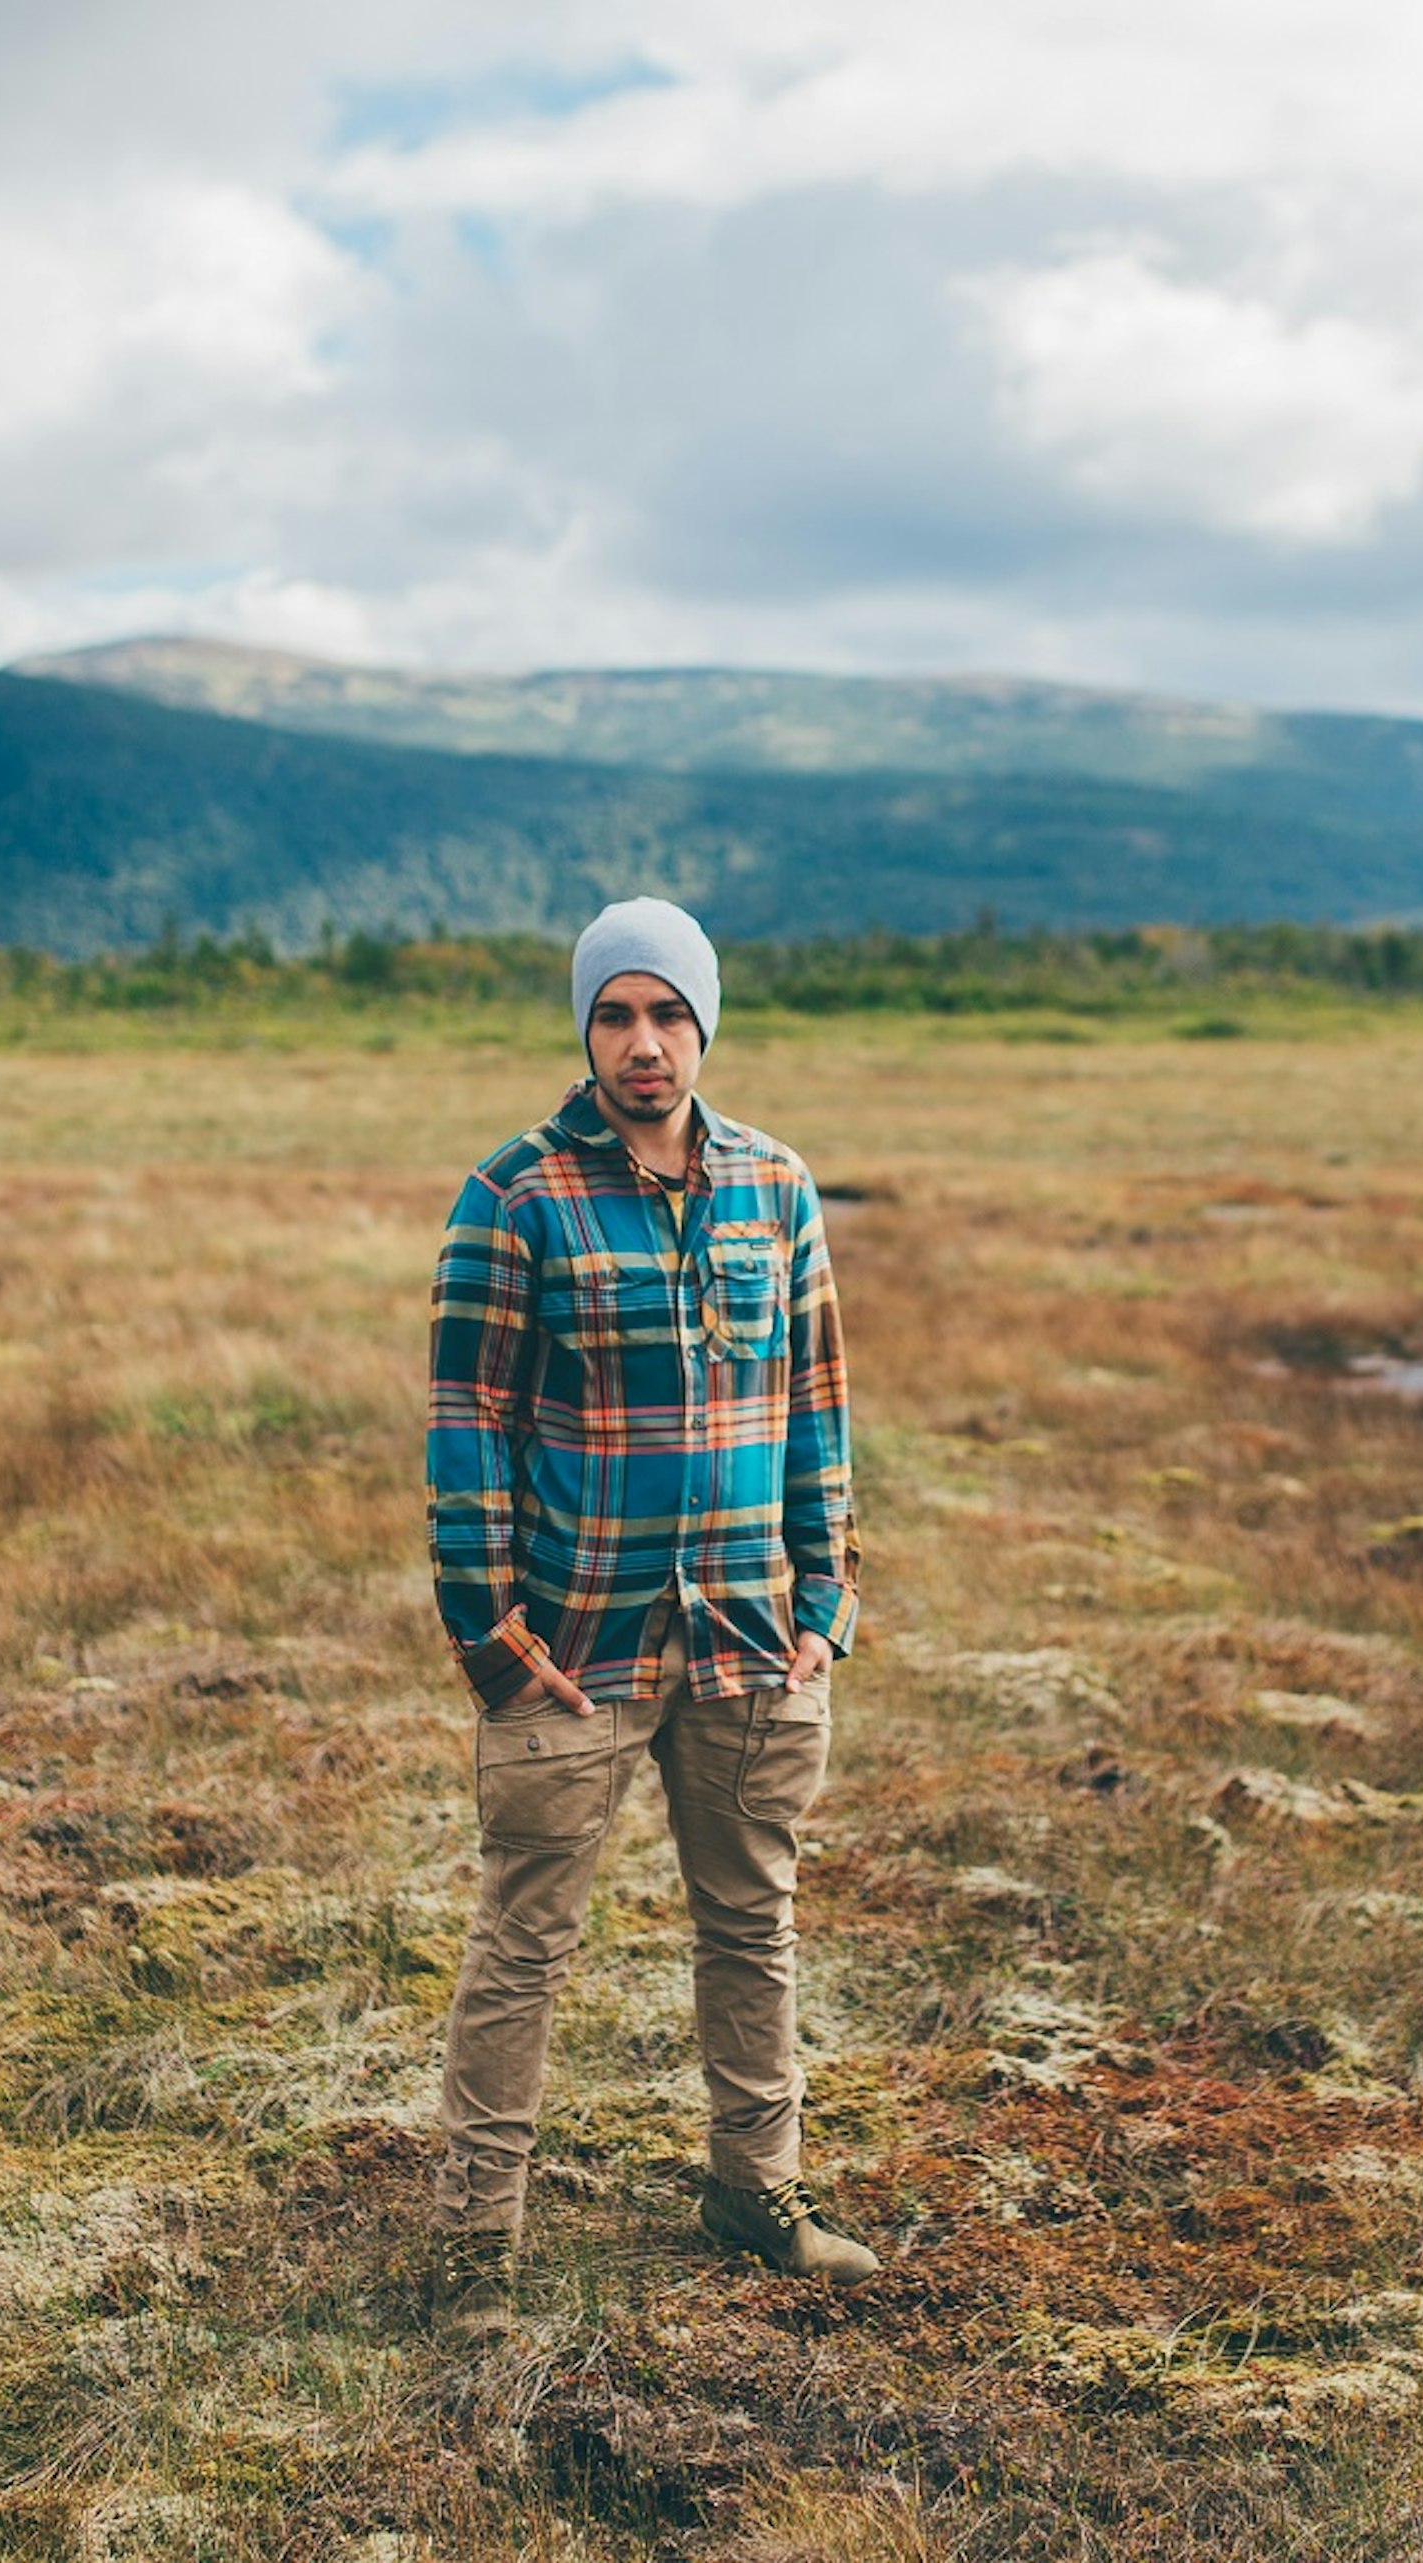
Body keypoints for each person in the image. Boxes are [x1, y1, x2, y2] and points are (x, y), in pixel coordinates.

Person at [419, 896, 875, 2347]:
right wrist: (487, 1632)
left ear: (705, 1024)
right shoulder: (516, 1198)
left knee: (754, 1926)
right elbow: (468, 1422)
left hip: (751, 1642)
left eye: (668, 1013)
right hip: (576, 1649)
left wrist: (828, 1597)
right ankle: (472, 2250)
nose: (643, 1043)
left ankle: (759, 2194)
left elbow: (816, 1403)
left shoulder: (777, 1188)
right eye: (615, 1015)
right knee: (524, 1942)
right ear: (585, 1031)